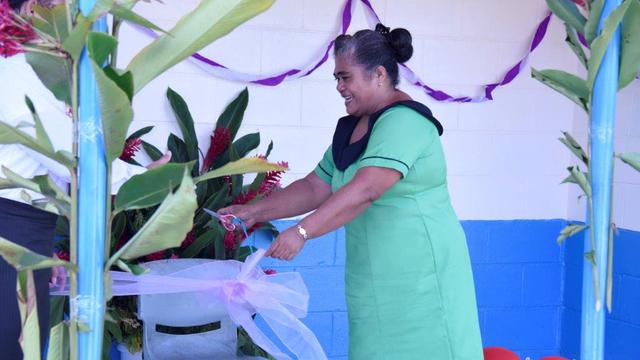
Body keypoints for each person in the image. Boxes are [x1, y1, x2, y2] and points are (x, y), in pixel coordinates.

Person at [220, 24, 483, 359]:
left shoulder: (405, 122)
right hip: (375, 279)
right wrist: (252, 212)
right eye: (336, 79)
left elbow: (366, 189)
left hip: (422, 279)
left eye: (346, 77)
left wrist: (302, 231)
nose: (339, 87)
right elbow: (317, 185)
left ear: (379, 74)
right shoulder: (353, 128)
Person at [0, 1, 169, 357]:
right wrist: (141, 179)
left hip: (25, 231)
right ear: (34, 9)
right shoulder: (19, 70)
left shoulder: (26, 67)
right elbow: (64, 159)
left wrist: (44, 255)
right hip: (12, 231)